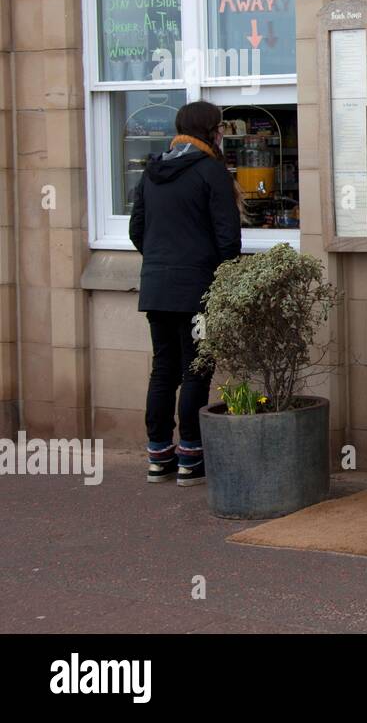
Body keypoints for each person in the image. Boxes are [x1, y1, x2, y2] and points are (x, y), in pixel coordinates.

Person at [129, 101, 242, 486]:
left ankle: (158, 455)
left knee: (163, 370)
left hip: (158, 289)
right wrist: (220, 275)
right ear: (210, 130)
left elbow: (136, 230)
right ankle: (190, 457)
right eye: (220, 127)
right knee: (196, 370)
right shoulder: (212, 172)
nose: (222, 134)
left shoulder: (152, 170)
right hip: (198, 291)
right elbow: (228, 238)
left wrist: (162, 261)